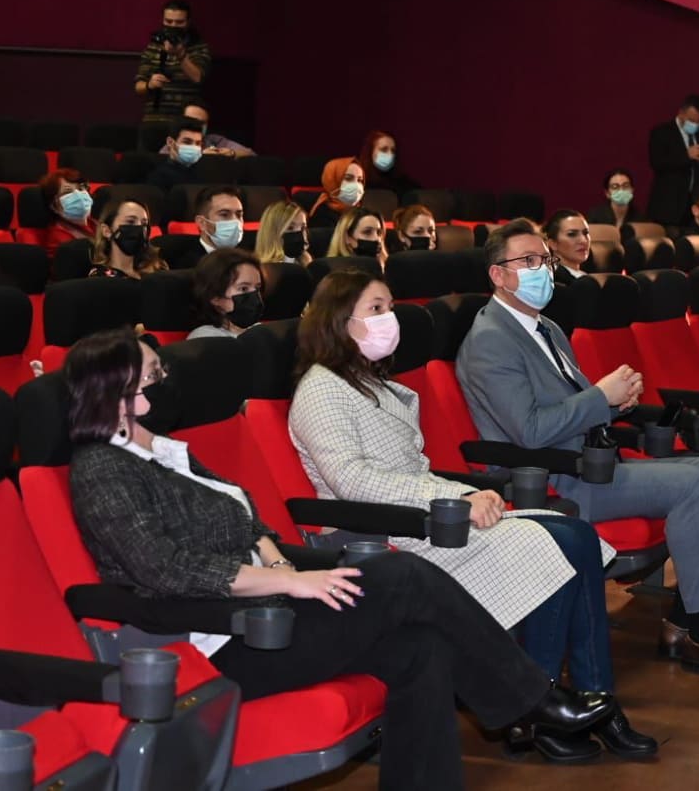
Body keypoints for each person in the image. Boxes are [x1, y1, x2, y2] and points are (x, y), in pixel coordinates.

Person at [62, 328, 616, 791]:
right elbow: (163, 568)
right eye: (154, 373)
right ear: (117, 387)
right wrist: (291, 584)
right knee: (401, 575)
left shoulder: (162, 450)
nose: (166, 379)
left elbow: (246, 520)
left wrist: (281, 566)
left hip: (268, 606)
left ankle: (504, 721)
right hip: (227, 638)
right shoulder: (102, 467)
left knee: (421, 647)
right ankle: (531, 699)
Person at [289, 269, 657, 762]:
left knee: (576, 535)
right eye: (376, 309)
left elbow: (412, 470)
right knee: (563, 543)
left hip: (427, 516)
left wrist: (462, 493)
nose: (389, 318)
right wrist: (455, 501)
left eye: (390, 307)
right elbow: (353, 482)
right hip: (385, 532)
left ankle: (592, 698)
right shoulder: (321, 389)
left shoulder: (373, 384)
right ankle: (541, 708)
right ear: (339, 321)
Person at [456, 219, 699, 684]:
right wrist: (600, 397)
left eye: (544, 260)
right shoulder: (491, 339)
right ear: (498, 274)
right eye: (527, 261)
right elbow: (530, 431)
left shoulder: (544, 327)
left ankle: (686, 623)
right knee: (696, 482)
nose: (542, 270)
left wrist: (614, 402)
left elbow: (569, 407)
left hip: (591, 461)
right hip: (552, 480)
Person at [647, 93, 699, 227]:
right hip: (669, 206)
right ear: (681, 113)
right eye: (691, 120)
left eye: (698, 122)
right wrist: (686, 155)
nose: (695, 125)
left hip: (694, 206)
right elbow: (657, 162)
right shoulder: (662, 132)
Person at [134, 0, 210, 122]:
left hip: (186, 118)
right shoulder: (153, 47)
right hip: (155, 117)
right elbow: (138, 86)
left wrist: (180, 55)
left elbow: (197, 78)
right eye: (168, 21)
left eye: (179, 22)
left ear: (188, 22)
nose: (173, 26)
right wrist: (149, 84)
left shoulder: (198, 47)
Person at [189, 249, 264, 339]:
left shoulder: (261, 330)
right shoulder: (204, 337)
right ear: (215, 297)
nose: (255, 296)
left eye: (257, 288)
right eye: (243, 288)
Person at [88, 200, 167, 279]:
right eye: (130, 221)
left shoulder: (158, 267)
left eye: (144, 224)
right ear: (107, 231)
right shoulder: (99, 277)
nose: (139, 228)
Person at [158, 102, 254, 158]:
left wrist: (231, 153)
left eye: (202, 122)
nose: (197, 126)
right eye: (192, 120)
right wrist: (203, 158)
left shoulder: (214, 140)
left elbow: (251, 154)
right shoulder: (171, 146)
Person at [38, 168, 94, 259]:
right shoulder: (59, 239)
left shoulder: (95, 223)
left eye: (80, 189)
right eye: (68, 192)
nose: (78, 194)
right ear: (53, 206)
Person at [147, 117, 207, 191]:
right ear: (170, 142)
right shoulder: (159, 178)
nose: (194, 147)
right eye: (187, 142)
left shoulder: (205, 172)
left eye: (198, 143)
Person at [309, 157, 366, 227]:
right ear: (332, 180)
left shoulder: (362, 214)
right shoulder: (319, 213)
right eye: (348, 178)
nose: (356, 185)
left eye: (359, 180)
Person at [359, 130, 419, 196]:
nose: (390, 154)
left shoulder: (405, 184)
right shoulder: (359, 183)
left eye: (393, 151)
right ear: (370, 152)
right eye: (384, 149)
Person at [253, 201, 311, 267]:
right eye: (290, 228)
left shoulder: (306, 262)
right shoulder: (260, 269)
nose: (299, 233)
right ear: (272, 233)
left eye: (303, 228)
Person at [544, 210, 591, 283]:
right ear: (553, 243)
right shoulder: (551, 281)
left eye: (586, 233)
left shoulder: (586, 276)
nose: (583, 240)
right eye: (572, 234)